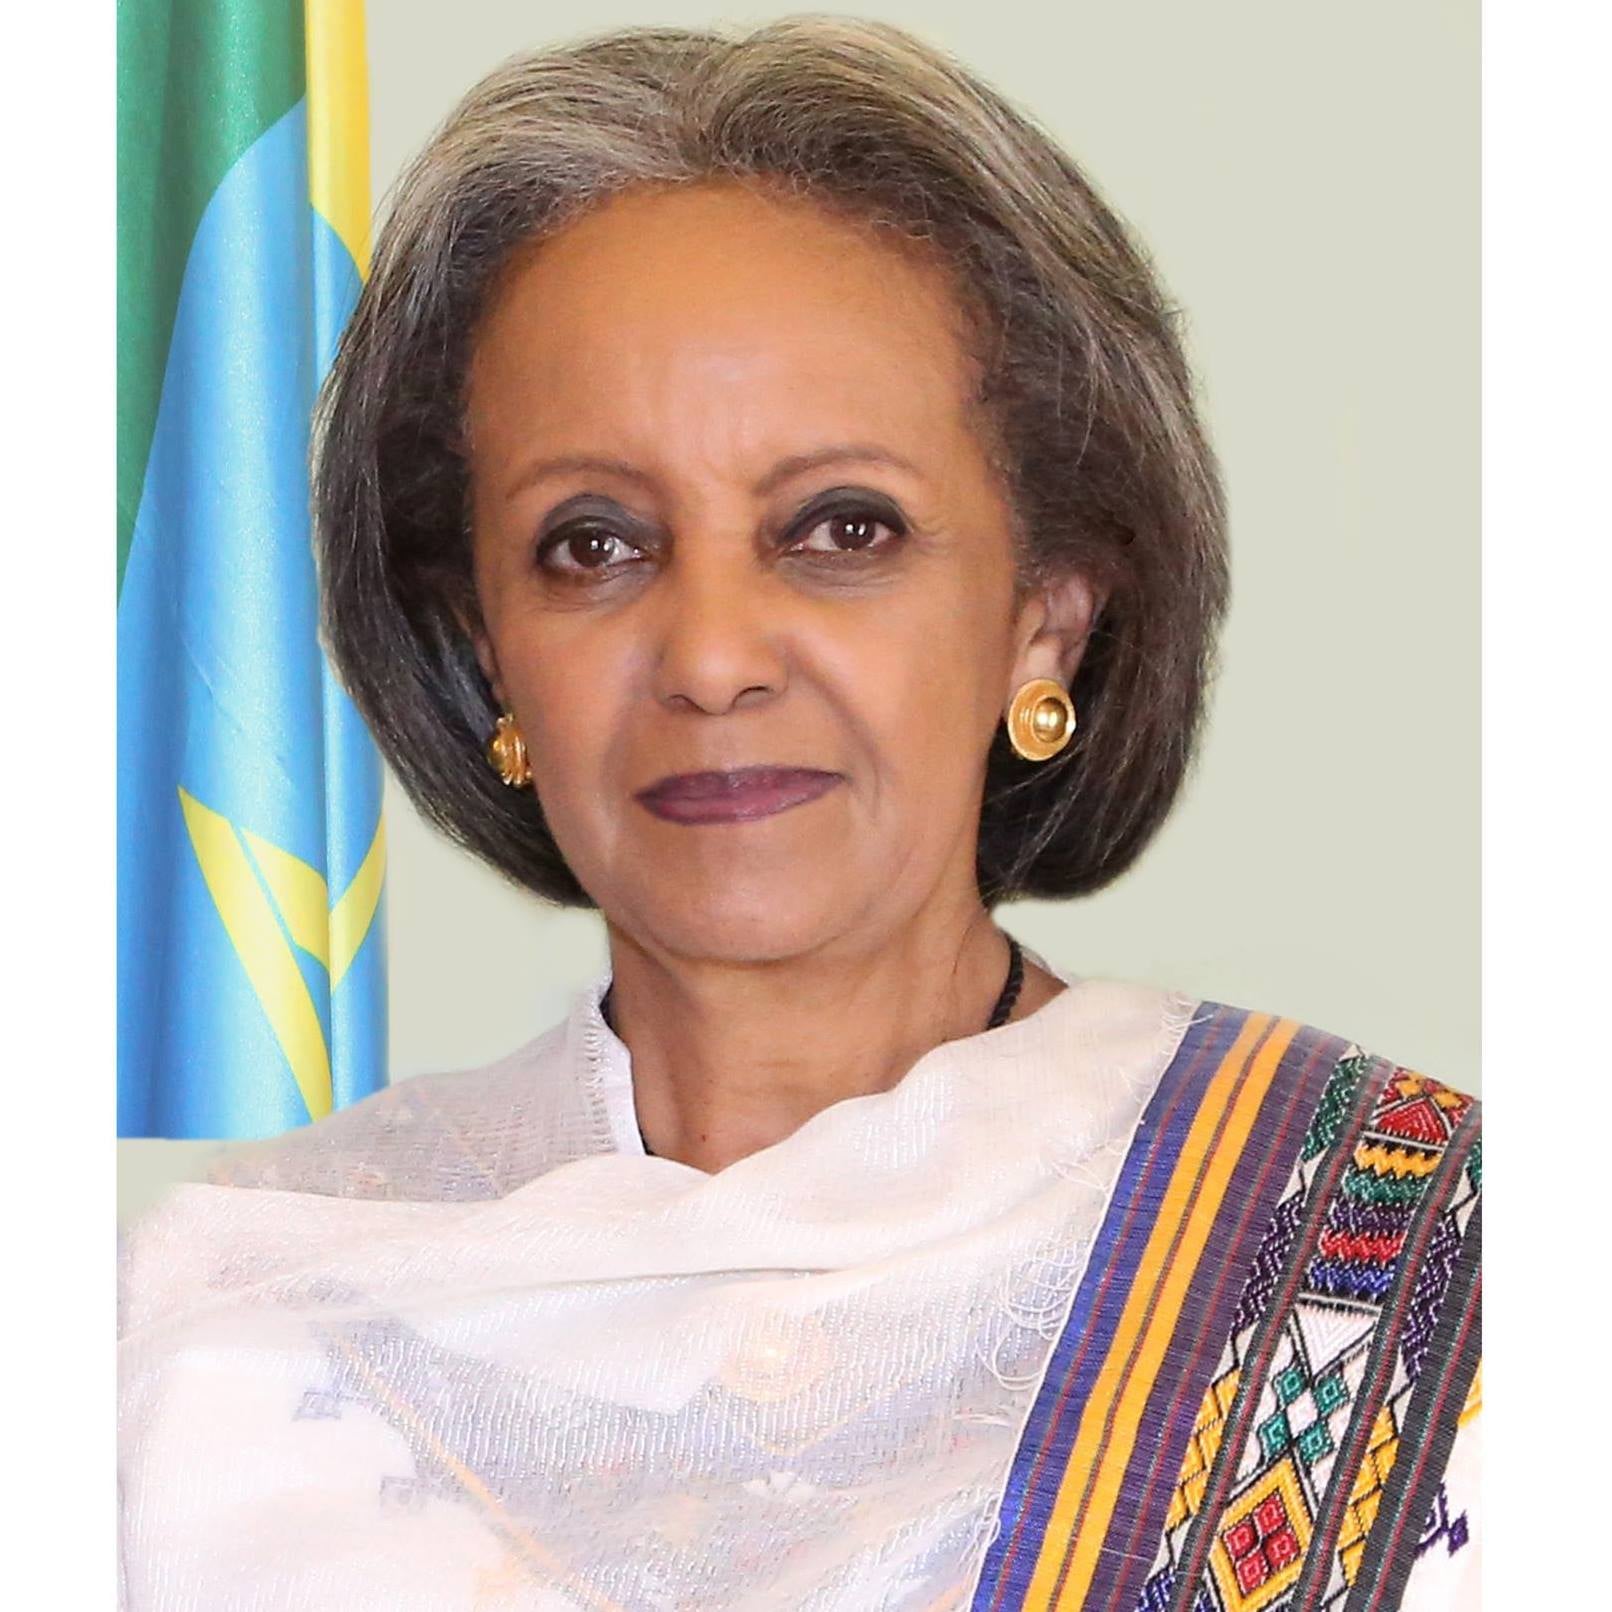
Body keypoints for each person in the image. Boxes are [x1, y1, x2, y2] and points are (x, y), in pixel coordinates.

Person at [117, 15, 1480, 1610]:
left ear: (1044, 622)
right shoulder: (204, 1347)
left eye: (843, 529)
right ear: (487, 648)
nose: (710, 659)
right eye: (593, 544)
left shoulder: (1428, 1272)